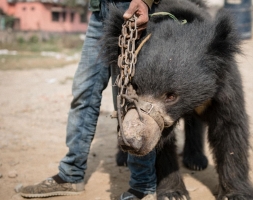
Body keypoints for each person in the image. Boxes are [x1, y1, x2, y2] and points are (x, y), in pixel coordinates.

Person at [20, 0, 158, 199]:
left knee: (130, 100)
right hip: (99, 13)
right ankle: (71, 175)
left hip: (130, 9)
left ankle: (143, 185)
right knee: (83, 92)